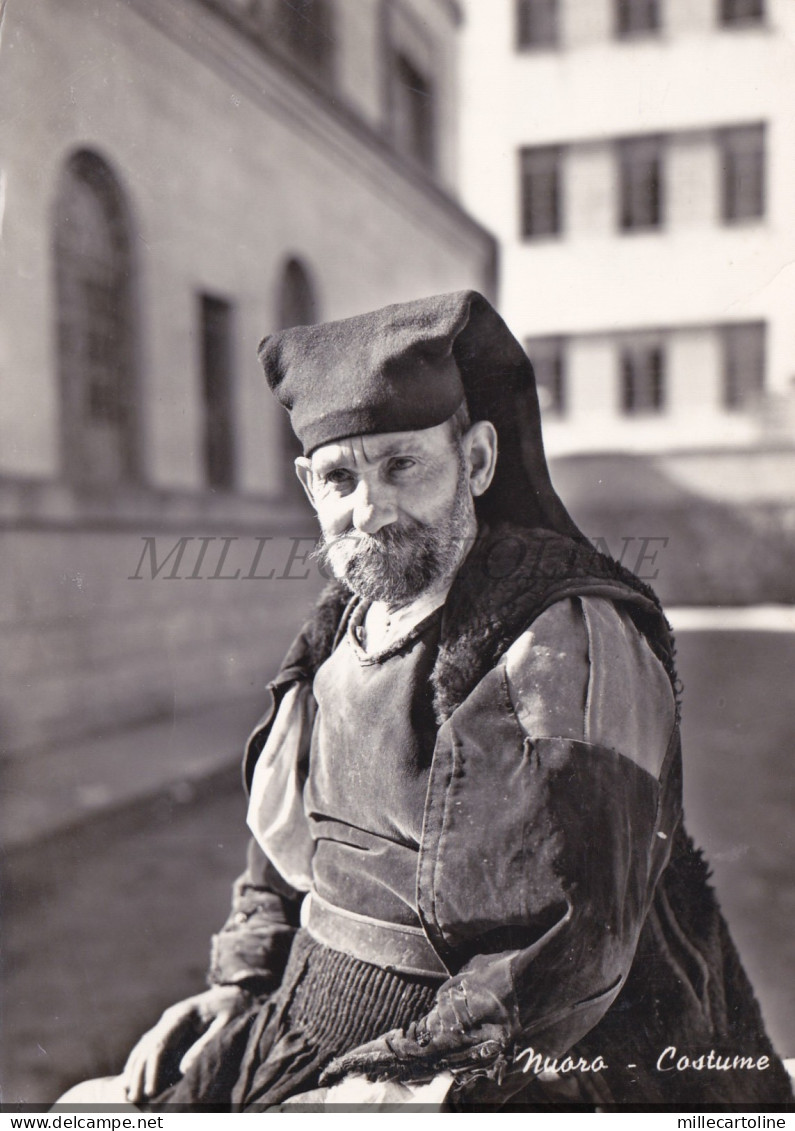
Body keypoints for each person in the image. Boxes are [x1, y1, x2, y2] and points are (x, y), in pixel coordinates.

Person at [62, 292, 791, 1111]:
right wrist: (237, 984)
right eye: (340, 477)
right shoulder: (334, 631)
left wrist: (404, 1078)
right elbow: (282, 853)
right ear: (309, 486)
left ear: (476, 461)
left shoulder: (560, 636)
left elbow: (577, 935)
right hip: (305, 1020)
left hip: (503, 1060)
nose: (368, 511)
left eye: (401, 466)